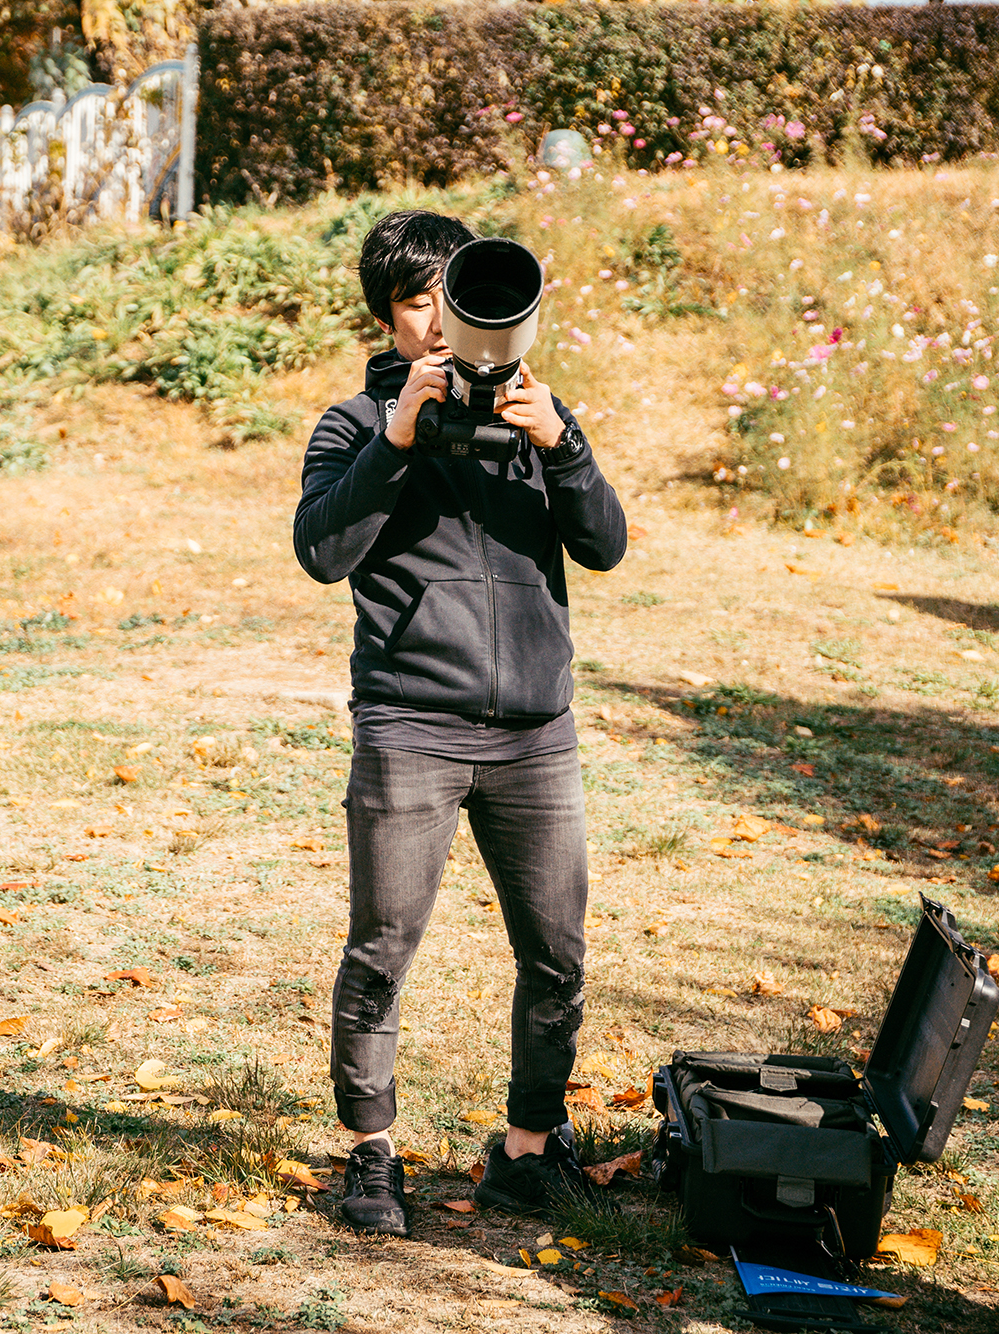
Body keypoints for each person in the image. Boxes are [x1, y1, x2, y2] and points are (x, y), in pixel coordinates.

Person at [292, 210, 627, 1237]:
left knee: (557, 952)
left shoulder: (540, 418)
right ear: (388, 319)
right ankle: (369, 1152)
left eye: (449, 295)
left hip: (536, 733)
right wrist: (399, 435)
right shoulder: (353, 423)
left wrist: (560, 444)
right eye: (412, 301)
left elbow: (604, 543)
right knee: (383, 945)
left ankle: (525, 1152)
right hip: (410, 726)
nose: (435, 320)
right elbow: (323, 549)